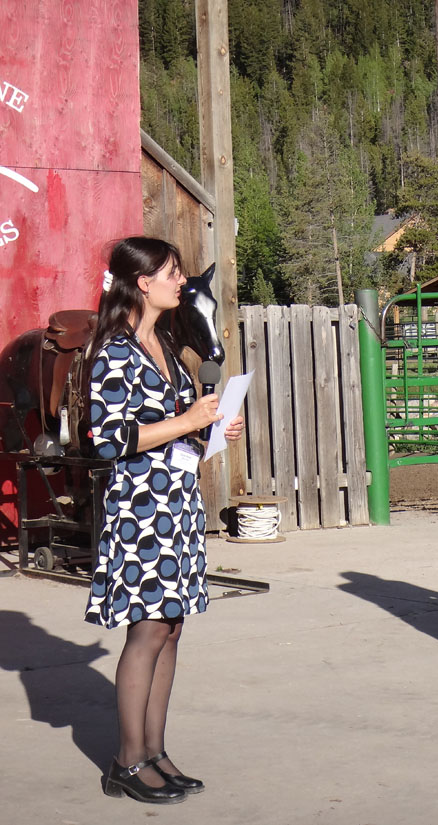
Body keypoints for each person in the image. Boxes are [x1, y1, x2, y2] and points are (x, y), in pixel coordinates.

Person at [84, 237, 244, 803]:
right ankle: (126, 762)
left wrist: (212, 430)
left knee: (171, 627)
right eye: (172, 273)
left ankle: (154, 752)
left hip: (177, 501)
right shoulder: (114, 352)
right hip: (140, 508)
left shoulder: (167, 348)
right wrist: (187, 422)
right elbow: (108, 441)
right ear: (142, 282)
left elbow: (174, 430)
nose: (181, 281)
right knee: (148, 630)